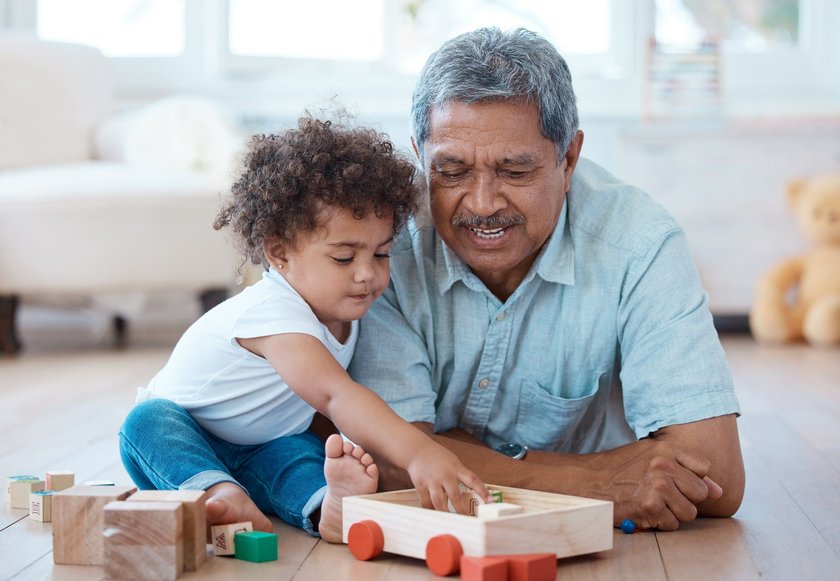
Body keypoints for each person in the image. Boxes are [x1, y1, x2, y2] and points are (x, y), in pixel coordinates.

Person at [348, 27, 746, 532]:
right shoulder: (383, 242)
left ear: (569, 159)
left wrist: (445, 450)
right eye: (451, 172)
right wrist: (598, 481)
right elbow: (386, 462)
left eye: (515, 172)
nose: (483, 203)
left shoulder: (640, 241)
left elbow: (717, 478)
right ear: (419, 156)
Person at [119, 115, 489, 543]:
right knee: (145, 421)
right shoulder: (274, 313)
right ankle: (217, 492)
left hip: (262, 446)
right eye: (344, 258)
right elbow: (335, 395)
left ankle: (322, 507)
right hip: (186, 435)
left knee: (301, 453)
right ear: (279, 253)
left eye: (382, 254)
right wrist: (421, 453)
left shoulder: (347, 310)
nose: (367, 274)